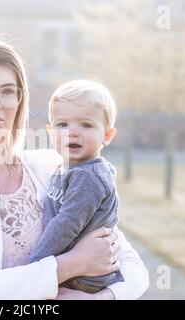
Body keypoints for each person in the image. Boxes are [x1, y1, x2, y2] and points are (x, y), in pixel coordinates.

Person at [0, 38, 149, 300]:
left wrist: (99, 298)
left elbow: (132, 267)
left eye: (8, 91)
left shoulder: (52, 166)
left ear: (20, 101)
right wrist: (73, 263)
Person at [30, 79, 124, 294]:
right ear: (51, 131)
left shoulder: (88, 176)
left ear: (107, 135)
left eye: (86, 124)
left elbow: (67, 223)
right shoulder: (67, 168)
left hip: (83, 279)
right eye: (62, 124)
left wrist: (36, 265)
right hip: (73, 270)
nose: (72, 132)